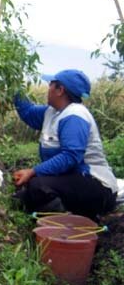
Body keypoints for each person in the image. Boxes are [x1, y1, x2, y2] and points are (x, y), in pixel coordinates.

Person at [12, 69, 118, 220]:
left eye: (51, 84)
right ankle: (65, 213)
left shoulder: (75, 116)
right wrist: (14, 86)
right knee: (28, 190)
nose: (48, 88)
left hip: (96, 186)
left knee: (38, 186)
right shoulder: (53, 112)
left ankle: (68, 223)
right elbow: (28, 112)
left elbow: (70, 156)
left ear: (60, 90)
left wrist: (33, 171)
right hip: (76, 181)